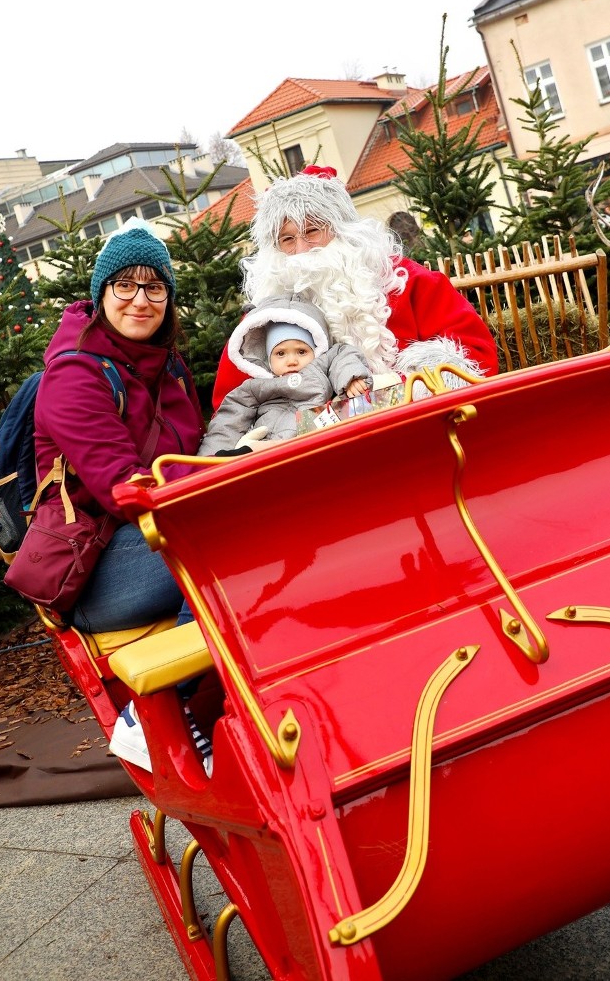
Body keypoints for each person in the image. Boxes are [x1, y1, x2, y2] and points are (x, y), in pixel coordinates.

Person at [33, 217, 212, 777]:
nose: (141, 299)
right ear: (102, 293)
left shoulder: (171, 368)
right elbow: (123, 489)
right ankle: (148, 719)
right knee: (217, 543)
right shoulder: (74, 376)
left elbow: (193, 459)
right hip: (96, 570)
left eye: (154, 286)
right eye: (125, 285)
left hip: (161, 537)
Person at [212, 165, 499, 410]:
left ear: (342, 229)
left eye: (312, 231)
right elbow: (230, 401)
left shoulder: (409, 282)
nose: (301, 250)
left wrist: (404, 388)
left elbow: (476, 357)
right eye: (287, 240)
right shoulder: (263, 316)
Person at [198, 294, 372, 456]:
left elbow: (344, 355)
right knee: (250, 449)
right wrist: (211, 458)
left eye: (301, 351)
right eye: (280, 353)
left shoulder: (320, 365)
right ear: (268, 358)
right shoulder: (256, 386)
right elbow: (229, 419)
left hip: (316, 436)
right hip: (269, 446)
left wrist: (351, 378)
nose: (292, 361)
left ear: (315, 350)